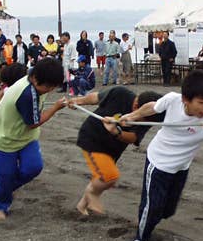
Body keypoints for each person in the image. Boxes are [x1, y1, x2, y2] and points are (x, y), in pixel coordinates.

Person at [119, 70, 203, 241]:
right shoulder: (172, 100)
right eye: (201, 102)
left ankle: (152, 219)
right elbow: (152, 107)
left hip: (181, 167)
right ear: (185, 99)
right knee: (152, 206)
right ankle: (141, 239)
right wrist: (130, 117)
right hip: (158, 162)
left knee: (168, 210)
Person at [0, 58, 66, 220]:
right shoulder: (27, 94)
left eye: (54, 86)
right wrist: (56, 107)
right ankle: (1, 206)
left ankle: (1, 188)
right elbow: (34, 123)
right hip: (5, 137)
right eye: (48, 86)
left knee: (33, 167)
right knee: (6, 174)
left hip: (26, 137)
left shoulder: (34, 76)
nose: (50, 90)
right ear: (36, 79)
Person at [68, 87, 164, 215]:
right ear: (136, 106)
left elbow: (133, 138)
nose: (141, 121)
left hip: (114, 147)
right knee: (109, 177)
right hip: (93, 137)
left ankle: (82, 206)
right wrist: (78, 101)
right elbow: (95, 97)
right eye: (142, 118)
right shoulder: (120, 94)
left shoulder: (150, 115)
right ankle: (91, 195)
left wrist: (116, 132)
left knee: (100, 177)